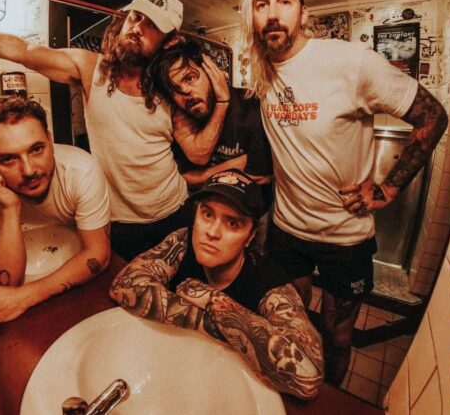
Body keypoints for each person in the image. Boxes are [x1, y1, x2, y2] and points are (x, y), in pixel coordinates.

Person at [238, 0, 448, 384]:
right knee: (291, 326)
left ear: (303, 12)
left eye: (284, 1)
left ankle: (330, 401)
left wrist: (387, 189)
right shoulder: (261, 71)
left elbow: (433, 117)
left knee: (337, 335)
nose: (273, 13)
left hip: (345, 237)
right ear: (251, 16)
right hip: (288, 232)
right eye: (261, 4)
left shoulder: (350, 62)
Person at [0, 0, 230, 261]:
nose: (138, 28)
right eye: (136, 17)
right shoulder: (91, 69)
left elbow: (197, 153)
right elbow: (21, 50)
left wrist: (222, 104)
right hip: (118, 222)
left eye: (152, 26)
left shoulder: (168, 89)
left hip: (174, 211)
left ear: (169, 41)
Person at [110, 169, 323, 400]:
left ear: (250, 237)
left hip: (228, 389)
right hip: (176, 370)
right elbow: (123, 285)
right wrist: (213, 323)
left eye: (232, 223)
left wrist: (214, 300)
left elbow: (308, 379)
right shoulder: (183, 240)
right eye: (207, 214)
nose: (211, 232)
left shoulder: (270, 282)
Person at [0, 96, 110, 323]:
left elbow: (98, 254)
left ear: (50, 141)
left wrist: (24, 298)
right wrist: (10, 207)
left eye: (36, 149)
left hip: (79, 290)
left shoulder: (81, 170)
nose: (29, 170)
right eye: (8, 159)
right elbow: (5, 281)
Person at [142, 38, 273, 192]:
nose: (185, 91)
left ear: (211, 72)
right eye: (174, 89)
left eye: (189, 78)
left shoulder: (250, 105)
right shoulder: (179, 117)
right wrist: (240, 163)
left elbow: (260, 174)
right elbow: (185, 177)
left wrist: (200, 177)